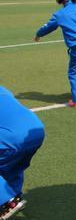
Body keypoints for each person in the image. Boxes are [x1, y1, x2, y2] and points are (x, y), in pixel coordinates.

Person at [0, 87, 45, 220]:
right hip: (36, 130)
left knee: (9, 150)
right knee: (13, 163)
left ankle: (6, 201)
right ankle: (15, 194)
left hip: (11, 137)